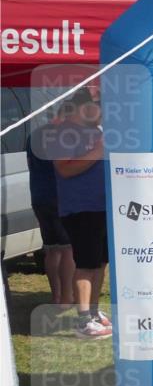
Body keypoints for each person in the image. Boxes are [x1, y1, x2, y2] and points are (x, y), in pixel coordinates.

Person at [51, 90, 111, 339]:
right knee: (86, 264)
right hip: (81, 208)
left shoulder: (96, 132)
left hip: (103, 206)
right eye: (99, 105)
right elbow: (64, 169)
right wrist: (98, 151)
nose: (103, 112)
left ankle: (93, 313)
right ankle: (83, 320)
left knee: (100, 262)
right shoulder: (63, 133)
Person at [27, 106, 76, 308]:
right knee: (68, 249)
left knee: (51, 249)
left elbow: (30, 164)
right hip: (60, 197)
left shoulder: (34, 136)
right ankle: (67, 298)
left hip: (39, 196)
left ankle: (56, 296)